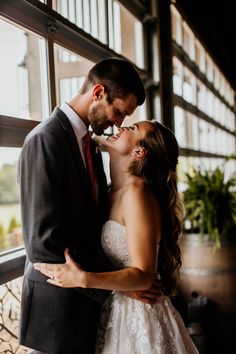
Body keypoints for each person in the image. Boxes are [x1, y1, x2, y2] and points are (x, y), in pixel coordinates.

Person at [18, 58, 154, 354]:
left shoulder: (89, 145)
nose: (118, 123)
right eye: (119, 111)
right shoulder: (45, 140)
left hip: (87, 311)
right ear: (98, 92)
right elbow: (42, 245)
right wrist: (116, 286)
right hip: (56, 314)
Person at [34, 121, 199, 354]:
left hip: (141, 316)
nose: (120, 128)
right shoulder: (110, 190)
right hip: (116, 310)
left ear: (139, 152)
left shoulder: (137, 193)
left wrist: (83, 278)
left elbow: (143, 276)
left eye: (131, 129)